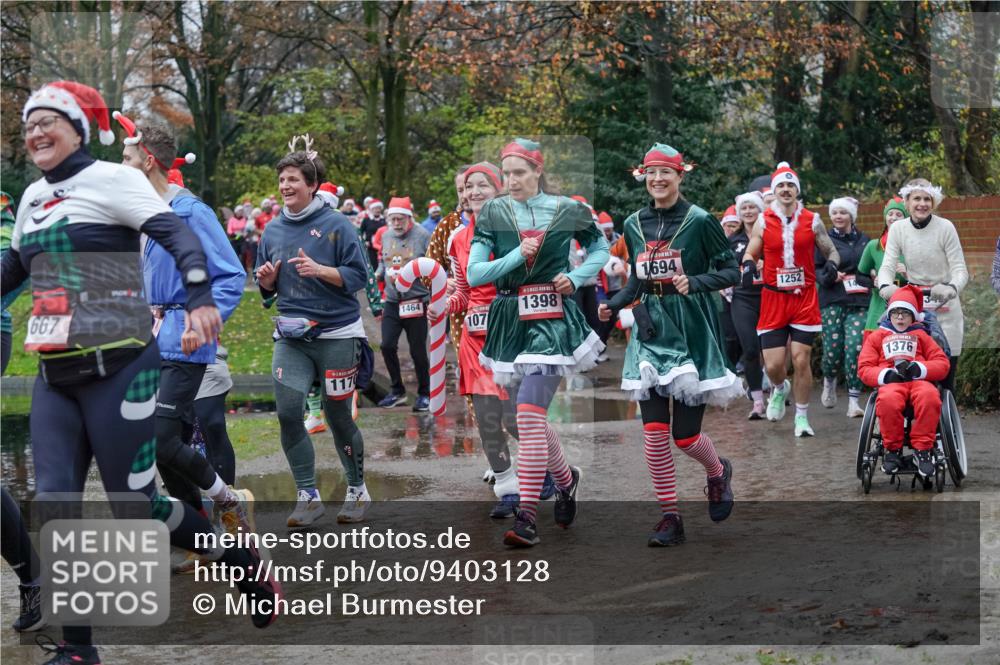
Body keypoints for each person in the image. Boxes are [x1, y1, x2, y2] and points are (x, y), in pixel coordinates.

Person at [3, 81, 280, 663]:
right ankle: (79, 649)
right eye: (28, 123)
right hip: (55, 376)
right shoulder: (31, 198)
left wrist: (202, 299)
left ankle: (239, 559)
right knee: (57, 506)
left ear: (78, 127)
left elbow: (177, 235)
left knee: (138, 508)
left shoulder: (114, 180)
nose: (35, 131)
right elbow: (11, 269)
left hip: (122, 369)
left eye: (48, 119)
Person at [116, 112, 252, 537]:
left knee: (160, 439)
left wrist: (203, 323)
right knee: (154, 449)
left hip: (185, 341)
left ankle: (228, 501)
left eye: (126, 157)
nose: (120, 166)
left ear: (149, 161)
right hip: (148, 341)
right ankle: (199, 532)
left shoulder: (190, 211)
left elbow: (230, 274)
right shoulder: (141, 213)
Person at [468, 138, 609, 547]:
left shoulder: (568, 209)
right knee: (526, 415)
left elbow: (599, 247)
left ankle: (527, 516)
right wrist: (516, 256)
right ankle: (566, 480)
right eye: (506, 173)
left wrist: (579, 277)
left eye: (519, 173)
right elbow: (477, 274)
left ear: (537, 172)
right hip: (509, 320)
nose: (510, 181)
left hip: (551, 321)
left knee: (528, 415)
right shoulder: (493, 212)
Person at [598, 142, 739, 547]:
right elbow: (637, 279)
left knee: (685, 437)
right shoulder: (633, 223)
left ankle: (716, 472)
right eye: (651, 172)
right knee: (655, 432)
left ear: (680, 176)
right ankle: (670, 517)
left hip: (692, 328)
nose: (658, 179)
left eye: (666, 172)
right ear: (643, 176)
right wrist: (614, 305)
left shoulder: (699, 221)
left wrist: (695, 282)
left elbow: (732, 270)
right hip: (650, 331)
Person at [256, 136, 374, 527]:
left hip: (337, 336)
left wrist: (321, 271)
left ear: (311, 185)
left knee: (339, 416)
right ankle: (307, 495)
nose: (285, 187)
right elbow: (266, 291)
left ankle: (357, 488)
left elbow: (360, 277)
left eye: (292, 180)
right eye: (282, 181)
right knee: (289, 414)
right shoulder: (271, 231)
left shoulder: (337, 225)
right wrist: (268, 281)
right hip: (291, 338)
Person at [429, 161, 525, 518]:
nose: (473, 192)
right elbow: (465, 293)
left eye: (482, 185)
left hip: (512, 335)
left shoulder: (519, 229)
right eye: (468, 187)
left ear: (498, 189)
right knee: (487, 419)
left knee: (517, 418)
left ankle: (555, 474)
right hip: (474, 338)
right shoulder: (457, 237)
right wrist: (443, 305)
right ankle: (507, 488)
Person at [741, 162, 841, 437]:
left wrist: (831, 266)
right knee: (774, 366)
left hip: (804, 298)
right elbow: (751, 253)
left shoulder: (813, 219)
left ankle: (801, 417)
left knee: (800, 359)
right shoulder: (763, 220)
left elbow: (831, 251)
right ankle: (779, 388)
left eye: (790, 185)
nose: (786, 190)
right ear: (774, 191)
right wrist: (749, 265)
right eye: (781, 186)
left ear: (797, 190)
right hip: (773, 298)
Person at [877, 178, 968, 392]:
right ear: (907, 202)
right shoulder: (898, 228)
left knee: (946, 373)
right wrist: (885, 286)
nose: (922, 204)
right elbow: (887, 265)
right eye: (917, 198)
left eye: (928, 199)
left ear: (934, 203)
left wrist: (951, 288)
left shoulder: (945, 227)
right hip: (914, 303)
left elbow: (960, 270)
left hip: (944, 300)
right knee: (910, 368)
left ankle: (946, 414)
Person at [857, 285, 950, 477]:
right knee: (888, 399)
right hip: (891, 381)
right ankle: (892, 450)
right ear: (889, 314)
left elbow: (942, 363)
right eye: (896, 313)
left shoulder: (922, 336)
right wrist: (885, 375)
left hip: (918, 380)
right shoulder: (877, 337)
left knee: (930, 396)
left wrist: (921, 369)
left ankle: (923, 450)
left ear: (913, 316)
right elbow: (864, 368)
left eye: (905, 314)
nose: (900, 318)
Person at [375, 196, 433, 411]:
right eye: (393, 219)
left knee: (417, 350)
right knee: (387, 345)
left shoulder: (423, 236)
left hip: (416, 300)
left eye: (400, 219)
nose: (397, 224)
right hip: (392, 300)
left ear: (409, 218)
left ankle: (425, 393)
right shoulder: (386, 235)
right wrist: (378, 275)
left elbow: (433, 265)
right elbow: (383, 261)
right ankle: (397, 390)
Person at [816, 196, 870, 418]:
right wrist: (830, 275)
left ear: (851, 216)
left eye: (843, 213)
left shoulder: (865, 240)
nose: (838, 216)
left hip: (859, 302)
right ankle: (829, 379)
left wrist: (869, 276)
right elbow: (816, 270)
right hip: (833, 300)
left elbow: (870, 267)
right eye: (835, 213)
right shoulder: (823, 239)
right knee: (832, 351)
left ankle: (854, 401)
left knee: (856, 347)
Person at [729, 191, 768, 420]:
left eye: (752, 207)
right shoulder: (733, 240)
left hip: (769, 296)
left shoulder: (769, 234)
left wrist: (767, 263)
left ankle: (776, 390)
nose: (748, 211)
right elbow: (721, 265)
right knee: (751, 349)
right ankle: (757, 401)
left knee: (772, 351)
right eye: (744, 208)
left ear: (760, 209)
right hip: (743, 298)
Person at [857, 197, 908, 337]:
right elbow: (860, 276)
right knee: (875, 353)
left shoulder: (913, 245)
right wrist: (873, 283)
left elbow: (926, 278)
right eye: (890, 214)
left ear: (906, 219)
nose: (893, 218)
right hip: (879, 306)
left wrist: (908, 274)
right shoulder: (874, 246)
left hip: (905, 307)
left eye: (899, 215)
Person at [360, 198, 386, 268]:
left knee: (382, 265)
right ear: (371, 209)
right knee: (372, 265)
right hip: (370, 247)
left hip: (382, 247)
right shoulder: (366, 220)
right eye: (375, 208)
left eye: (379, 208)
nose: (377, 210)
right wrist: (364, 242)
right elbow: (360, 232)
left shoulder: (384, 220)